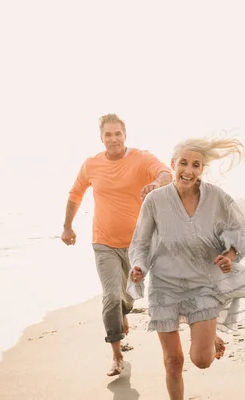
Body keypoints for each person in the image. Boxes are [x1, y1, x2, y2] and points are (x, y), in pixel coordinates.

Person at [127, 137, 245, 400]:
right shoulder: (155, 200)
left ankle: (210, 338)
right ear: (173, 164)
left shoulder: (216, 198)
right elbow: (140, 242)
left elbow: (236, 229)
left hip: (203, 283)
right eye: (184, 163)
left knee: (201, 360)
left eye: (196, 165)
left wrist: (230, 253)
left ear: (202, 170)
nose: (188, 170)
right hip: (165, 285)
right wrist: (138, 266)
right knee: (173, 361)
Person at [61, 113, 172, 377]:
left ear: (125, 136)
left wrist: (156, 183)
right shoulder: (91, 165)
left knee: (127, 296)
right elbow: (75, 194)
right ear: (101, 138)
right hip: (104, 242)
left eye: (117, 134)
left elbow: (167, 173)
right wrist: (67, 226)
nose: (113, 139)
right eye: (108, 135)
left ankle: (124, 309)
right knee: (110, 296)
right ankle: (117, 355)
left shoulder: (141, 158)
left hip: (137, 245)